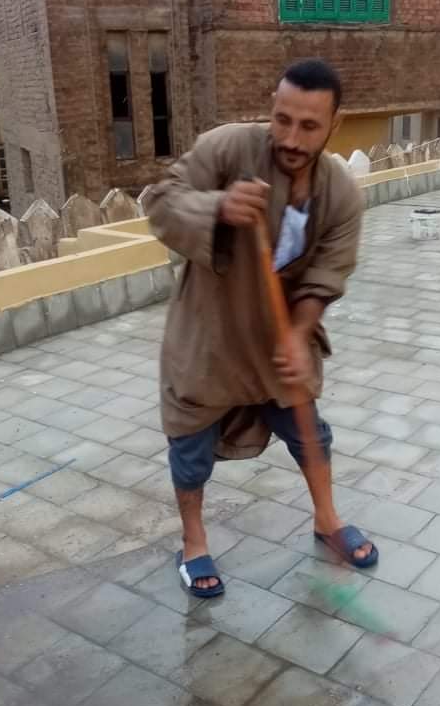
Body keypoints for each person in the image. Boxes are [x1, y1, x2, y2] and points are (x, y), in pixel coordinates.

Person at [146, 58, 378, 597]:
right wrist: (218, 207)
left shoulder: (340, 194)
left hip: (280, 342)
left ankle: (327, 520)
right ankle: (194, 543)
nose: (291, 138)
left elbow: (328, 273)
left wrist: (298, 334)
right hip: (210, 336)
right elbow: (160, 202)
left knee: (310, 434)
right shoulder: (227, 148)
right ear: (272, 109)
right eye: (282, 120)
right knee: (189, 447)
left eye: (309, 126)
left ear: (335, 124)